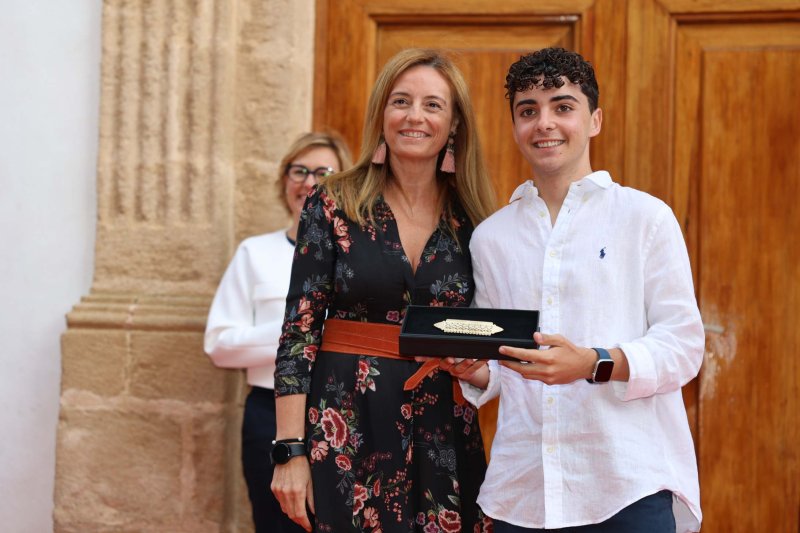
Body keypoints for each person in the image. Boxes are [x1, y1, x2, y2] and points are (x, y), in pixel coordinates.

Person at [444, 47, 705, 532]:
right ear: (516, 126)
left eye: (563, 107)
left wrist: (594, 362)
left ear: (594, 120)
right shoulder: (492, 238)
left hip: (627, 486)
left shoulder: (645, 217)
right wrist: (476, 371)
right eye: (528, 111)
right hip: (522, 494)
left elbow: (684, 345)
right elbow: (502, 362)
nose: (544, 123)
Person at [271, 48, 497, 533]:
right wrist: (289, 449)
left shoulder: (478, 220)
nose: (415, 116)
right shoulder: (331, 203)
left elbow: (490, 329)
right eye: (402, 101)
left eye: (433, 105)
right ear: (382, 113)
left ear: (454, 124)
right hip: (346, 423)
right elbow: (299, 332)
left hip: (444, 426)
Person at [204, 132, 352, 533]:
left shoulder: (361, 260)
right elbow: (219, 346)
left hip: (344, 413)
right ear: (284, 180)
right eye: (299, 170)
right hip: (268, 415)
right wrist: (299, 333)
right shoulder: (254, 252)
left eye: (323, 172)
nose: (308, 182)